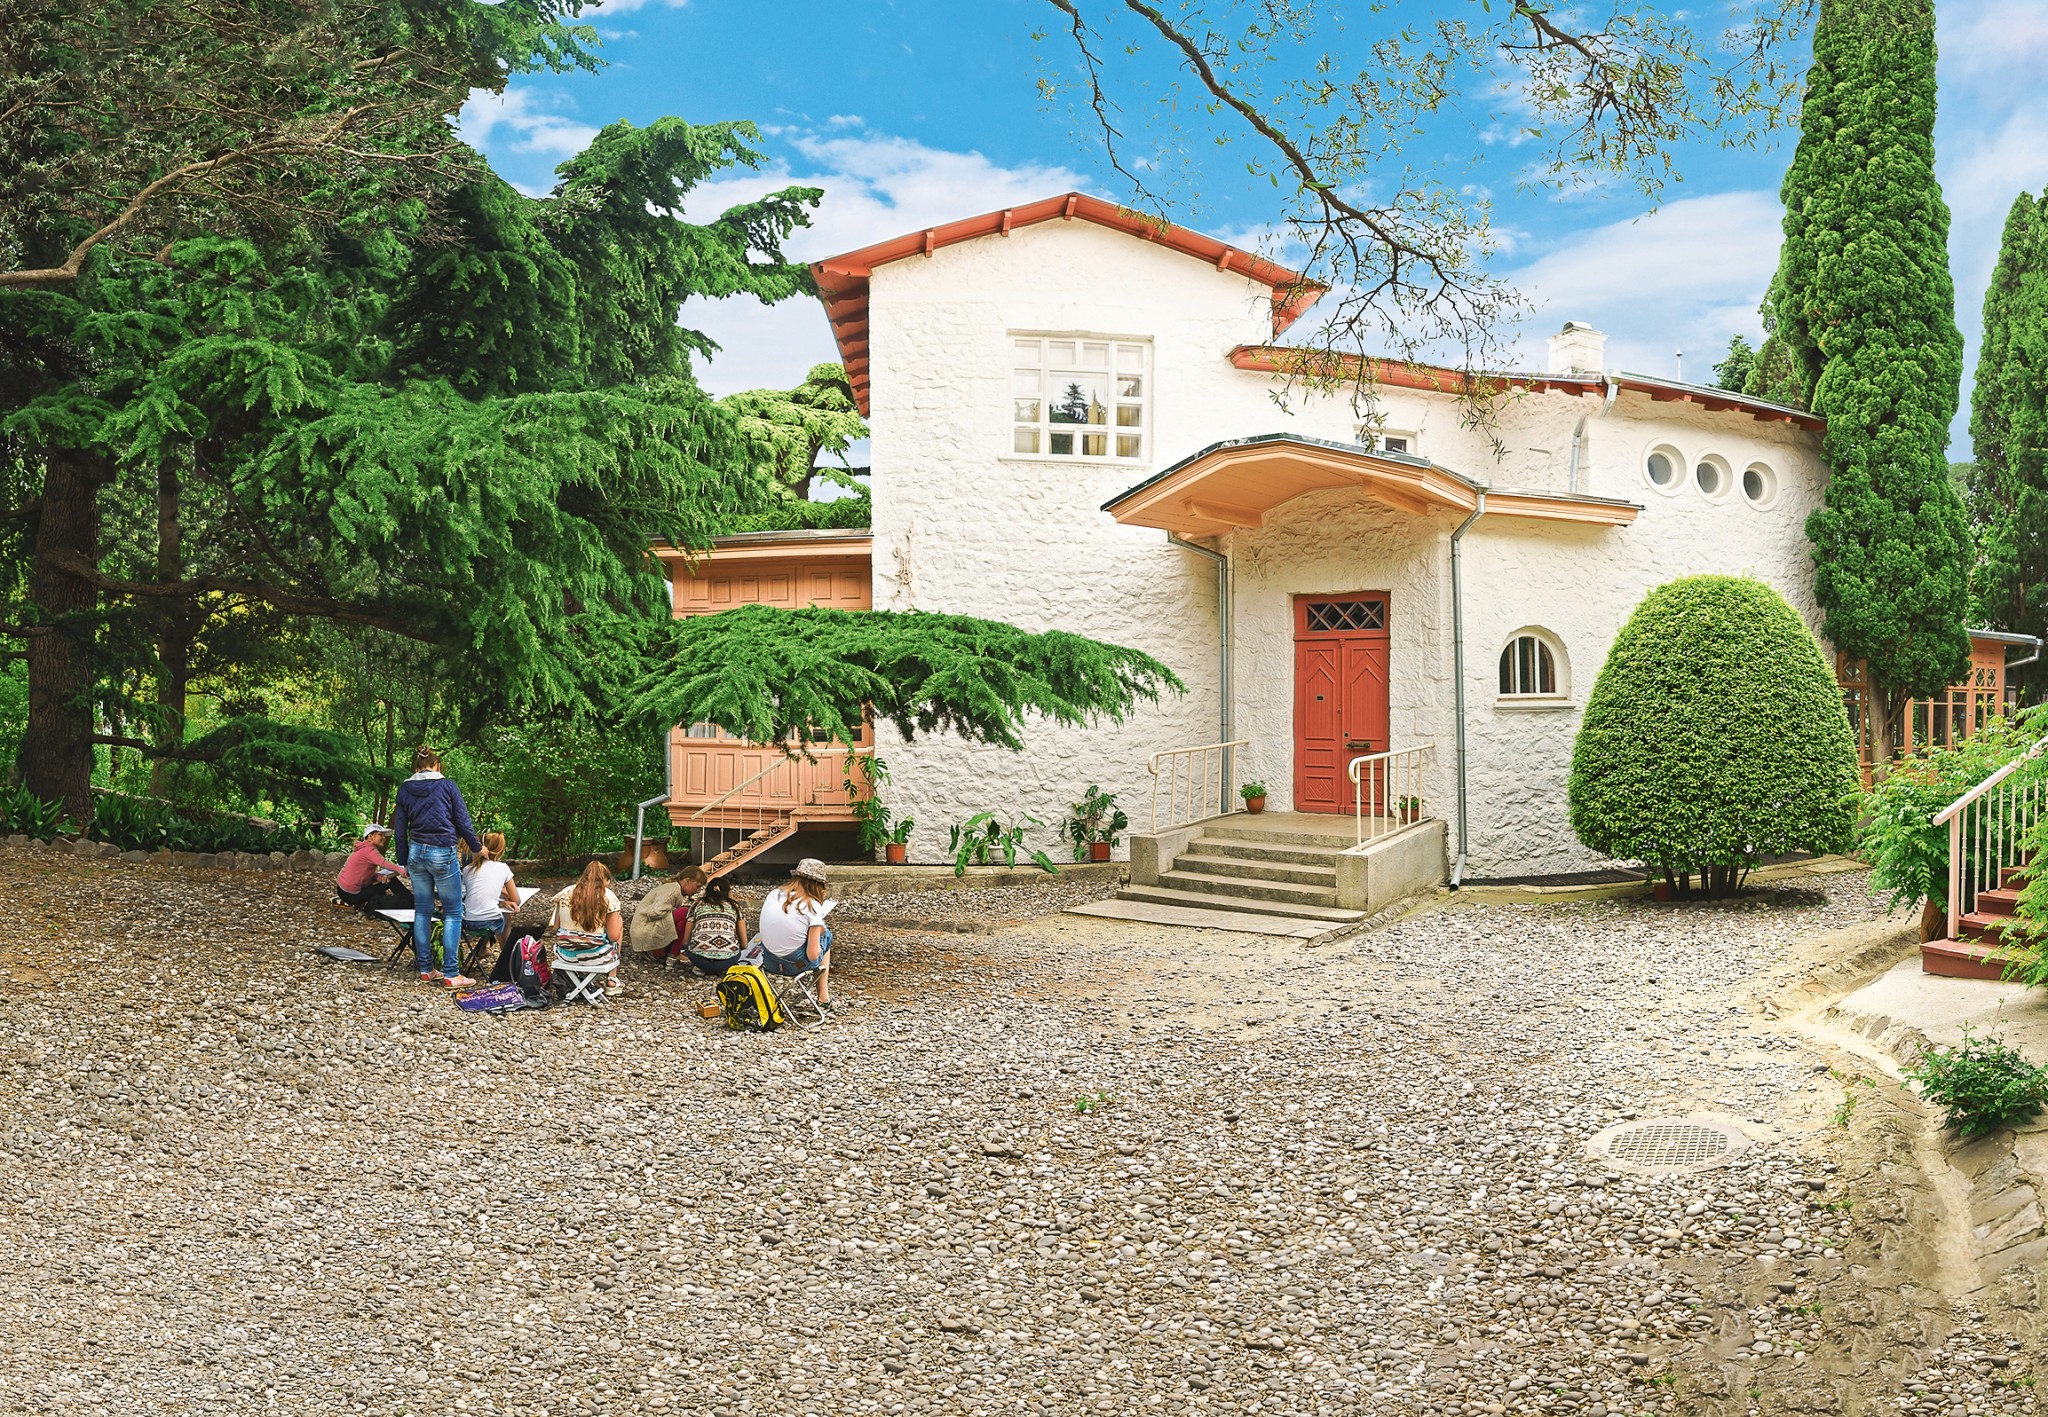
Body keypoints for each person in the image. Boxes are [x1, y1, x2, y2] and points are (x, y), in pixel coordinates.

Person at [392, 745, 483, 988]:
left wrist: (402, 860)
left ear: (416, 767)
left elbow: (400, 829)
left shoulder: (404, 789)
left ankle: (426, 969)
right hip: (442, 850)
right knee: (453, 911)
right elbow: (462, 821)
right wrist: (477, 847)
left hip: (416, 852)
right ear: (437, 765)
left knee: (422, 910)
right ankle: (452, 974)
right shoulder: (447, 786)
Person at [755, 857, 835, 1009]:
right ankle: (823, 997)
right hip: (795, 966)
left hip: (768, 961)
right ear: (818, 885)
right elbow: (813, 955)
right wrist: (818, 932)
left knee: (815, 932)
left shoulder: (773, 894)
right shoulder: (812, 906)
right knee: (827, 936)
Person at [551, 859, 625, 997]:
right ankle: (612, 980)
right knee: (618, 922)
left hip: (565, 955)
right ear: (605, 881)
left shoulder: (565, 893)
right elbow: (614, 936)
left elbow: (556, 927)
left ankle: (577, 981)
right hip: (596, 957)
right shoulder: (608, 897)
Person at [460, 831, 521, 965]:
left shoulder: (468, 869)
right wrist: (503, 892)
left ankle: (482, 949)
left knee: (489, 911)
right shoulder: (503, 868)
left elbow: (471, 896)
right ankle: (506, 957)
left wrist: (502, 902)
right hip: (490, 923)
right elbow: (516, 900)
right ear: (500, 851)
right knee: (505, 916)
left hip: (467, 922)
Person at [625, 864, 704, 962]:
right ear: (687, 881)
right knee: (684, 913)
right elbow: (654, 913)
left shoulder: (674, 888)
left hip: (643, 933)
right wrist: (674, 910)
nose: (698, 891)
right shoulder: (672, 890)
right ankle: (674, 953)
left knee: (684, 912)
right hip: (645, 933)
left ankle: (667, 950)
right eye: (698, 886)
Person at [680, 873, 748, 976]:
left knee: (690, 947)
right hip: (726, 961)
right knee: (736, 950)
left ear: (707, 891)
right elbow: (744, 944)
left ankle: (701, 968)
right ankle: (724, 968)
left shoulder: (697, 904)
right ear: (728, 892)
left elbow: (685, 941)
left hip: (699, 961)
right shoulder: (735, 907)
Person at [335, 824, 410, 909]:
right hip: (351, 895)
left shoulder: (362, 849)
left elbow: (362, 873)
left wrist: (379, 877)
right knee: (392, 881)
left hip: (342, 891)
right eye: (380, 835)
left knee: (384, 884)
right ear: (371, 837)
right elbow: (383, 863)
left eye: (384, 835)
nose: (383, 838)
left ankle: (407, 902)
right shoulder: (369, 850)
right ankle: (412, 902)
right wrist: (400, 870)